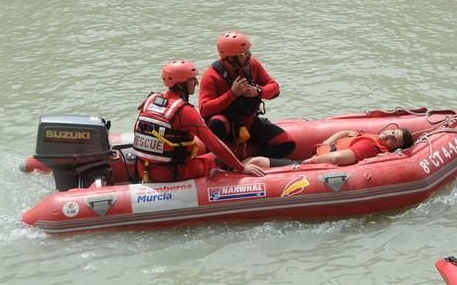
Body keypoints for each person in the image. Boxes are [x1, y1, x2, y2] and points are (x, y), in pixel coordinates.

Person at [132, 59, 265, 182]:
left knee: (197, 145)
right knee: (218, 157)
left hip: (144, 168)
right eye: (192, 79)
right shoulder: (184, 111)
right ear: (180, 83)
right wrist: (242, 168)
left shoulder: (150, 100)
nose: (196, 82)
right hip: (170, 173)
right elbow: (215, 145)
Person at [198, 31, 296, 159]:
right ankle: (215, 160)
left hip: (248, 122)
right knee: (217, 124)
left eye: (248, 51)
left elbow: (274, 88)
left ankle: (253, 161)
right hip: (225, 123)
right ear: (230, 58)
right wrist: (232, 93)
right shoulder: (211, 76)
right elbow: (204, 110)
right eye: (244, 54)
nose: (249, 56)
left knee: (286, 143)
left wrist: (258, 91)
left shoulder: (253, 65)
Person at [245, 128, 414, 168]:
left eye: (393, 139)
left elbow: (337, 159)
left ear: (393, 149)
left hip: (311, 166)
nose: (389, 135)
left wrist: (312, 161)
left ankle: (233, 172)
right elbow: (346, 132)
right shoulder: (371, 136)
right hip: (317, 156)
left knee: (258, 161)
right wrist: (327, 142)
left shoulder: (370, 146)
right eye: (392, 132)